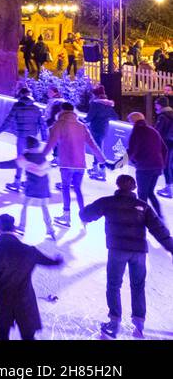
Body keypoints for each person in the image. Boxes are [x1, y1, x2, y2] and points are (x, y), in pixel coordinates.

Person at [81, 173, 173, 339]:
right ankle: (139, 325)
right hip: (138, 253)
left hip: (117, 251)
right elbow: (158, 229)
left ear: (117, 185)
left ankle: (114, 323)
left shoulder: (107, 202)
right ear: (134, 188)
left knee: (114, 285)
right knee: (138, 286)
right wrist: (171, 247)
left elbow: (86, 215)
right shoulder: (143, 206)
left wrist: (84, 211)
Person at [0, 213, 63, 341]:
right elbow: (50, 263)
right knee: (28, 337)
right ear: (14, 228)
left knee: (3, 335)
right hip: (25, 301)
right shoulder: (29, 251)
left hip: (4, 300)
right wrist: (58, 261)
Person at [42, 101, 102, 228]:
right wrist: (101, 159)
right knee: (78, 189)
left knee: (65, 188)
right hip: (80, 164)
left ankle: (66, 216)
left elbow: (50, 144)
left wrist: (40, 157)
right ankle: (84, 216)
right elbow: (93, 144)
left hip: (66, 163)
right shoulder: (81, 125)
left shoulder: (59, 124)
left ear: (62, 111)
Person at [0, 136, 56, 240]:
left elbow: (11, 164)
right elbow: (48, 169)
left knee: (25, 207)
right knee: (44, 207)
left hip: (32, 186)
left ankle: (22, 228)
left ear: (28, 145)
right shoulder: (42, 156)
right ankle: (50, 230)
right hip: (44, 186)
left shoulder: (26, 156)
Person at [0, 87, 46, 191]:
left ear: (21, 95)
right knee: (32, 160)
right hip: (33, 139)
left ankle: (17, 182)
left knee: (21, 159)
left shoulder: (17, 106)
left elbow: (9, 119)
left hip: (22, 137)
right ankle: (31, 182)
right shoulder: (36, 107)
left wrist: (1, 129)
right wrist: (44, 137)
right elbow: (42, 124)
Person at [127, 111, 166, 220]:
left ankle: (141, 217)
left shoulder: (137, 131)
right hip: (157, 167)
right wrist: (162, 164)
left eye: (130, 121)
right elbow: (164, 149)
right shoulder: (153, 131)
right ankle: (159, 215)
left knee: (142, 194)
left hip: (144, 167)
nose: (130, 123)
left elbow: (131, 151)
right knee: (150, 192)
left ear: (133, 121)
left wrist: (116, 164)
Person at [86, 85, 118, 180]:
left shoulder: (95, 104)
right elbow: (115, 117)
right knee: (99, 148)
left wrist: (82, 120)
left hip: (95, 129)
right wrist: (105, 117)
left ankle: (100, 170)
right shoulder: (108, 105)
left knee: (97, 149)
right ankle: (97, 168)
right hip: (104, 129)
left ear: (95, 95)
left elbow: (89, 117)